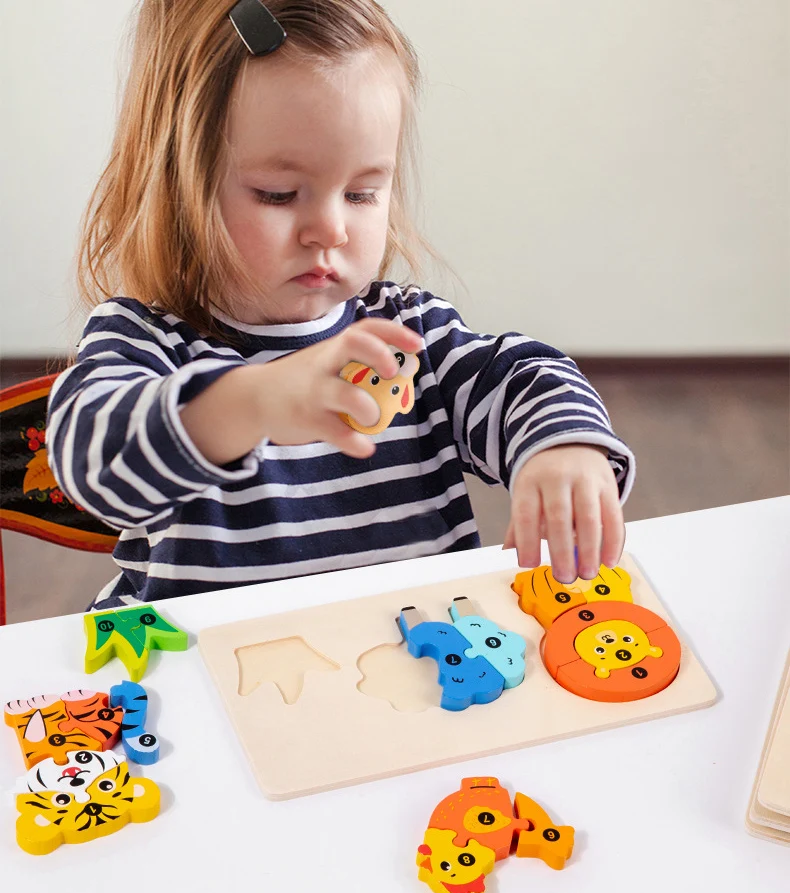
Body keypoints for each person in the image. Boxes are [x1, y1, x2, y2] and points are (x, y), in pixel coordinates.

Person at [47, 0, 635, 610]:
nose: (329, 228)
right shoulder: (147, 340)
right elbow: (93, 462)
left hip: (414, 668)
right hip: (208, 675)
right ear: (177, 185)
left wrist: (564, 447)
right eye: (277, 195)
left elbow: (524, 376)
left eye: (361, 192)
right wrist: (253, 401)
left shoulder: (408, 337)